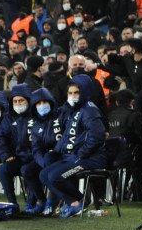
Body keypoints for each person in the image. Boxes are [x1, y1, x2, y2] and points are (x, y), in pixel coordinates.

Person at [38, 74, 106, 217]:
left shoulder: (90, 110)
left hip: (90, 158)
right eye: (70, 93)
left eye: (76, 93)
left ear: (85, 92)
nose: (72, 96)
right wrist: (57, 151)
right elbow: (67, 136)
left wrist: (82, 153)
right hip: (73, 156)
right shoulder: (73, 109)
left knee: (55, 177)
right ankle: (75, 203)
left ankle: (79, 202)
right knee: (44, 175)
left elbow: (97, 135)